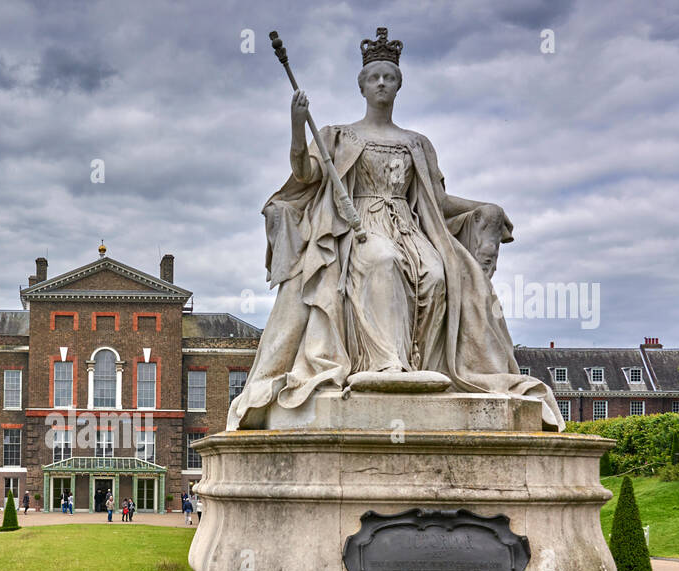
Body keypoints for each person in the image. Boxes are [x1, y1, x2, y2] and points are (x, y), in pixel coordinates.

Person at [226, 27, 563, 433]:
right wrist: (298, 127)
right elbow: (305, 175)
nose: (381, 83)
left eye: (389, 77)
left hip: (410, 226)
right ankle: (386, 364)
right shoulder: (337, 135)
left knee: (439, 275)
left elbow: (437, 203)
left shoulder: (417, 143)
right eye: (374, 77)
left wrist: (485, 208)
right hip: (358, 228)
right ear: (362, 86)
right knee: (382, 262)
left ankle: (425, 367)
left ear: (399, 85)